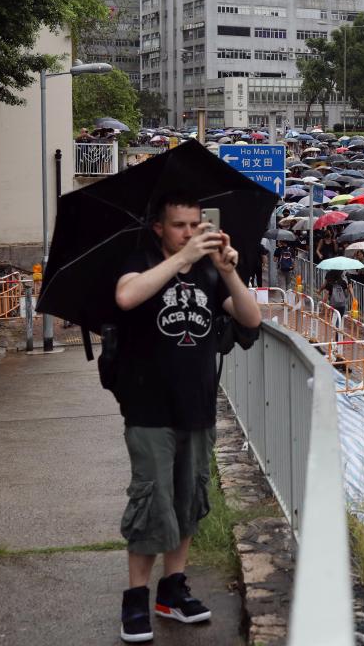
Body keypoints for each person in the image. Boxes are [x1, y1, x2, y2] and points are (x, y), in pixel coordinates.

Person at [112, 192, 262, 643]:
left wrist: (228, 271)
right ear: (159, 227)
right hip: (148, 408)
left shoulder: (209, 274)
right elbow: (126, 297)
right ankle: (135, 600)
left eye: (197, 224)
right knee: (151, 502)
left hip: (196, 406)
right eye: (180, 225)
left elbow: (251, 319)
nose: (190, 233)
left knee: (187, 500)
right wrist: (181, 260)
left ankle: (172, 591)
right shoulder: (139, 261)